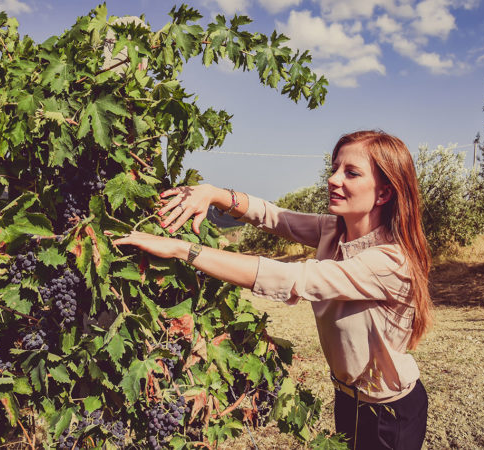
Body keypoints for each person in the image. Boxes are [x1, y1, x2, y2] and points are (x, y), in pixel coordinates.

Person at [113, 130, 432, 449]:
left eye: (351, 173)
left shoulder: (389, 261)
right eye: (334, 168)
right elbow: (273, 217)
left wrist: (184, 249)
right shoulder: (334, 230)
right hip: (347, 398)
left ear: (384, 194)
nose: (334, 179)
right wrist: (213, 193)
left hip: (389, 414)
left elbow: (289, 277)